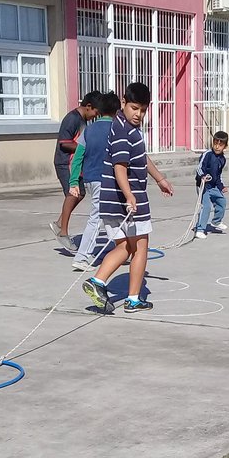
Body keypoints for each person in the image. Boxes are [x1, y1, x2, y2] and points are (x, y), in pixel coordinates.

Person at [82, 82, 174, 314]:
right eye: (134, 108)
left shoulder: (122, 126)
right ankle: (132, 299)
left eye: (143, 110)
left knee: (124, 247)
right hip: (127, 202)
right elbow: (119, 167)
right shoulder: (124, 132)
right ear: (123, 102)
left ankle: (98, 282)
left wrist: (160, 179)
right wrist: (130, 196)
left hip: (112, 201)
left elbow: (141, 159)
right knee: (141, 246)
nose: (138, 114)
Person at [67, 91, 121, 272]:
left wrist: (74, 181)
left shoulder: (88, 130)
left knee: (112, 214)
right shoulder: (117, 129)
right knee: (97, 217)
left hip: (90, 178)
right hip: (104, 179)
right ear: (117, 111)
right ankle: (81, 257)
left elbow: (77, 157)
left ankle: (122, 248)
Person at [51, 92, 102, 253]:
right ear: (88, 107)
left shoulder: (82, 120)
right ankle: (63, 232)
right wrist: (86, 148)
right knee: (73, 194)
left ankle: (59, 223)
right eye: (95, 112)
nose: (95, 116)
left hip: (75, 164)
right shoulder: (72, 119)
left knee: (80, 193)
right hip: (65, 162)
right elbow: (64, 143)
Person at [194, 131, 229, 239]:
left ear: (225, 146)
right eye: (215, 143)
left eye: (220, 144)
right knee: (206, 206)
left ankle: (216, 222)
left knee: (222, 201)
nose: (217, 146)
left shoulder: (222, 159)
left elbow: (218, 175)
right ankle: (200, 229)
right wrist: (203, 176)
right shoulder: (207, 154)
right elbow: (199, 168)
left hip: (213, 186)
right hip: (203, 186)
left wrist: (221, 186)